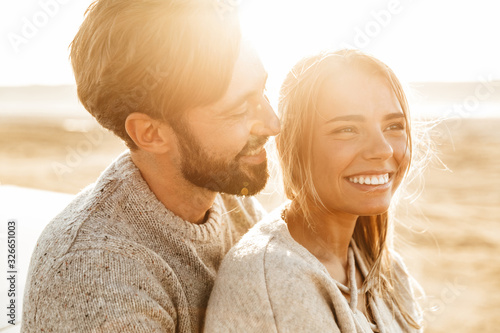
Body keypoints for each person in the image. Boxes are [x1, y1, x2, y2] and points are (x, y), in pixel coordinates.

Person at [21, 0, 280, 332]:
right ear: (151, 133)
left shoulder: (228, 193)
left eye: (263, 91)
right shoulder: (93, 278)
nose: (274, 123)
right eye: (237, 111)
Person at [204, 50, 424, 332]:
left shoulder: (385, 270)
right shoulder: (271, 283)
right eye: (347, 129)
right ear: (291, 148)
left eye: (394, 125)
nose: (383, 149)